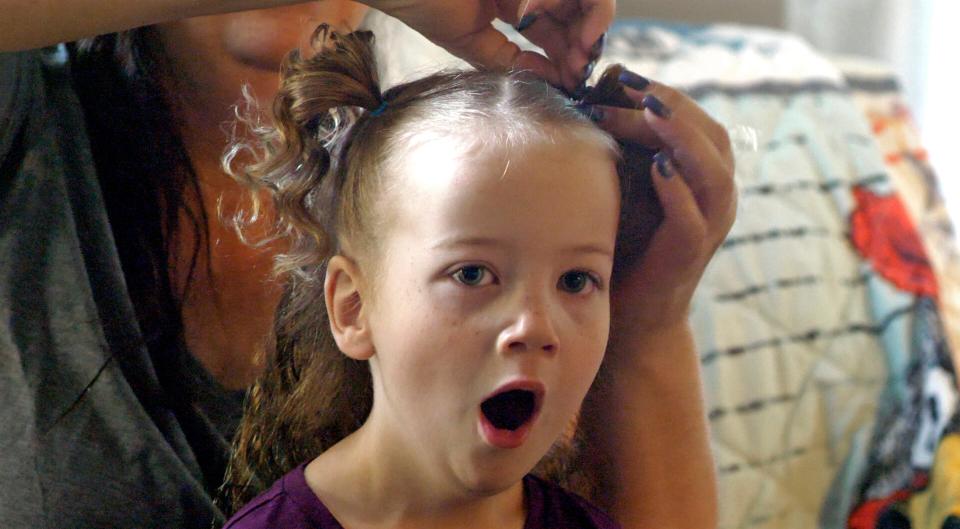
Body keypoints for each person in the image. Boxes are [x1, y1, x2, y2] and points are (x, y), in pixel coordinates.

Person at [0, 1, 731, 528]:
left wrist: (648, 320)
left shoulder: (464, 162)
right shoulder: (29, 113)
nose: (532, 321)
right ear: (348, 301)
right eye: (473, 274)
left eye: (577, 280)